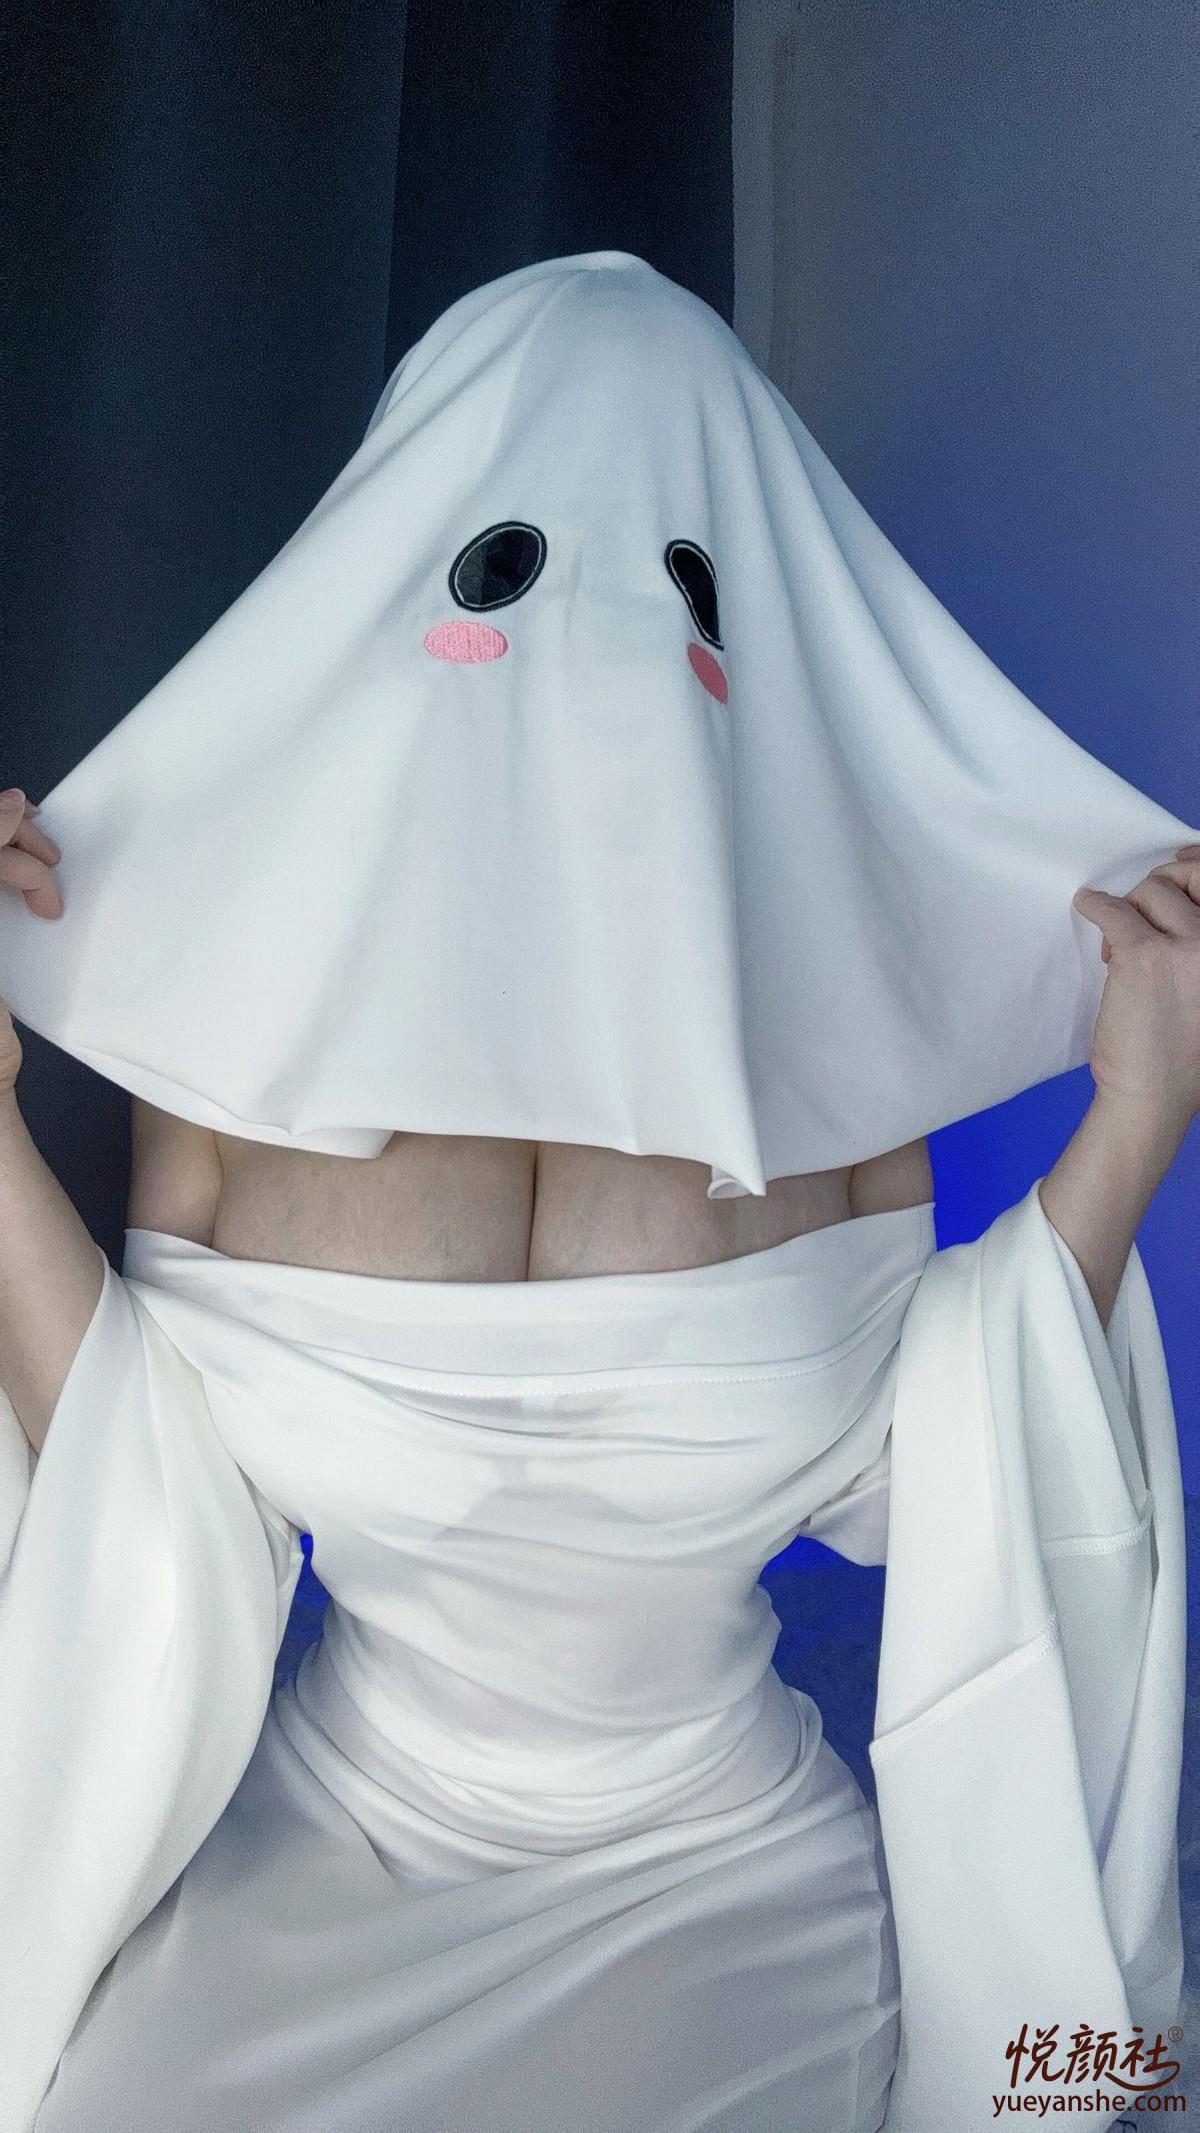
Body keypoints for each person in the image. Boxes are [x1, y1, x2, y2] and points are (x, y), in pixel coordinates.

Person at [0, 252, 1195, 2132]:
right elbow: (138, 1473)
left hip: (715, 1872)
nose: (610, 641)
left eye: (686, 581)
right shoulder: (238, 1011)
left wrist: (1135, 1119)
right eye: (513, 566)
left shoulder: (820, 1041)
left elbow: (938, 1464)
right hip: (331, 1843)